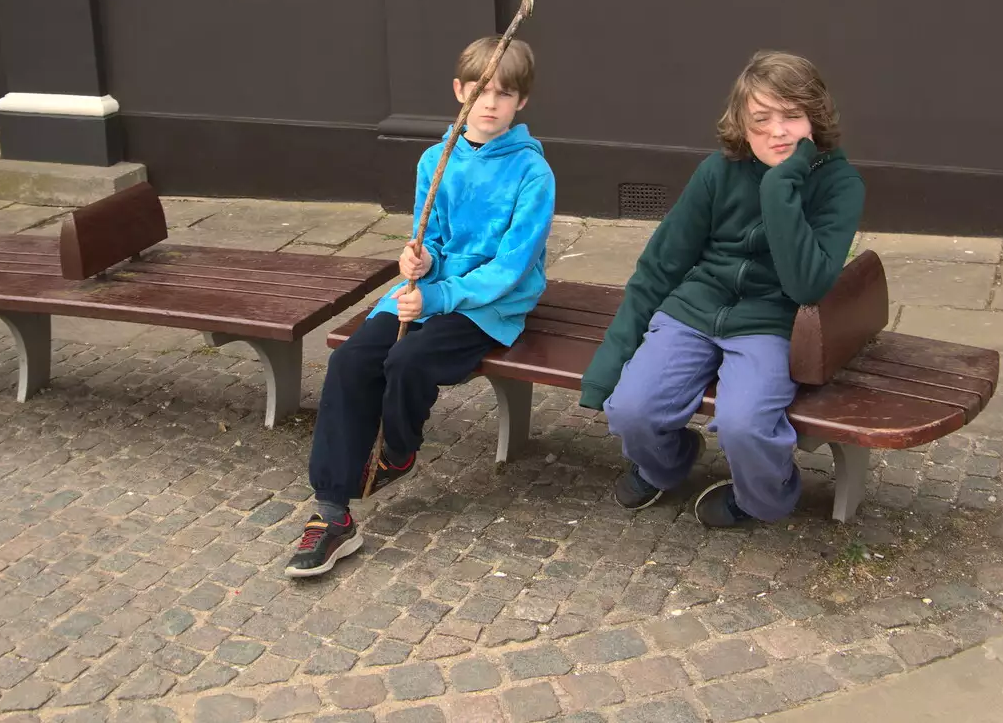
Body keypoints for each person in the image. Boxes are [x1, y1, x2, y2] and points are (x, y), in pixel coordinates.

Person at [285, 36, 556, 577]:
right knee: (350, 361)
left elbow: (511, 267)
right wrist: (418, 261)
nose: (490, 103)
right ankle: (332, 513)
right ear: (458, 91)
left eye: (504, 94)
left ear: (521, 102)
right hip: (427, 294)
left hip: (488, 306)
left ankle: (399, 451)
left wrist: (440, 293)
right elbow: (427, 236)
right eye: (479, 90)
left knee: (409, 362)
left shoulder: (533, 174)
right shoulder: (436, 160)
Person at [579, 51, 864, 528]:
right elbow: (660, 264)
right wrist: (609, 361)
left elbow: (806, 284)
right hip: (693, 310)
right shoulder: (717, 171)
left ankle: (765, 498)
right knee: (631, 409)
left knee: (745, 425)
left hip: (770, 322)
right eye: (761, 119)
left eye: (792, 116)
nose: (777, 131)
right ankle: (666, 464)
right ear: (741, 123)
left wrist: (781, 188)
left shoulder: (840, 184)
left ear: (815, 119)